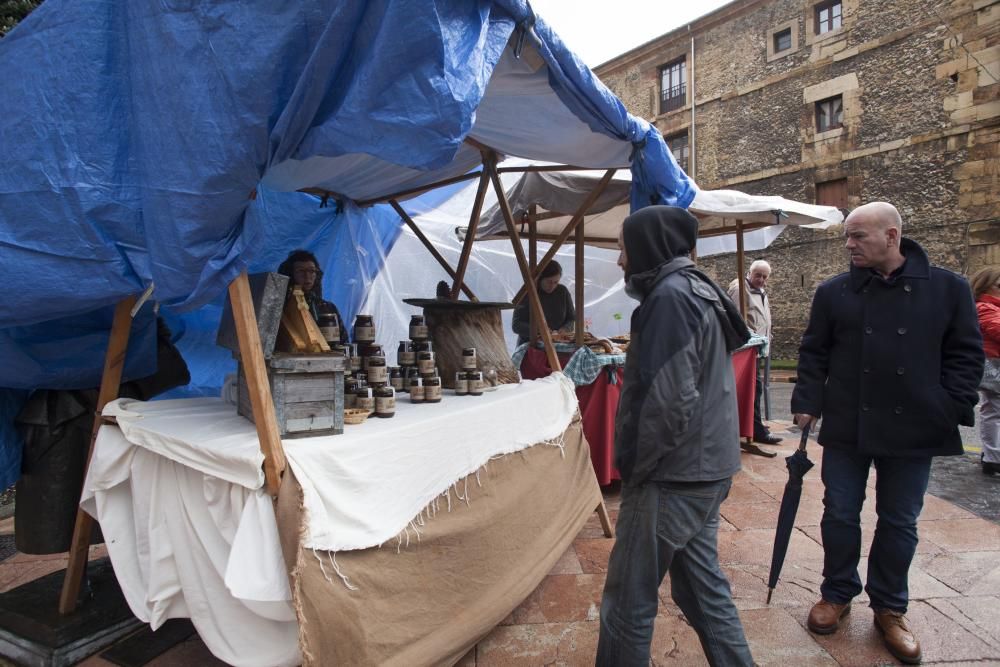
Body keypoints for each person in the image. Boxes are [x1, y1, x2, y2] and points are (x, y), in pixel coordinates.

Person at [791, 202, 983, 665]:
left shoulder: (948, 289)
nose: (850, 245)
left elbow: (965, 354)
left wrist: (948, 404)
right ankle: (836, 592)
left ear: (892, 236)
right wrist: (807, 403)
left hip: (915, 425)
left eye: (858, 236)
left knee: (900, 521)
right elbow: (814, 352)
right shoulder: (833, 292)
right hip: (847, 424)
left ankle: (890, 607)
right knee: (839, 512)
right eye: (848, 237)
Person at [597, 206, 753, 667]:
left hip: (673, 477)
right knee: (702, 591)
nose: (620, 260)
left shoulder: (670, 297)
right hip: (705, 470)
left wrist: (638, 470)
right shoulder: (697, 289)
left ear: (648, 246)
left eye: (623, 248)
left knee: (628, 603)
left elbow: (668, 400)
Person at [727, 259, 780, 445]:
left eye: (765, 277)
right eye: (758, 275)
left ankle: (755, 426)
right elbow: (734, 318)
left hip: (757, 348)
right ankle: (756, 430)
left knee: (755, 389)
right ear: (749, 272)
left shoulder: (761, 291)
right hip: (745, 349)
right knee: (753, 389)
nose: (761, 279)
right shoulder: (739, 289)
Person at [277, 249, 348, 343]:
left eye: (312, 271)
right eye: (301, 271)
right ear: (290, 274)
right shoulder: (280, 308)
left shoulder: (328, 308)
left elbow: (344, 342)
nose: (307, 276)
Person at [971, 266, 1000, 475]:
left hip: (992, 364)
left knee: (992, 409)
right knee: (994, 409)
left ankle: (991, 454)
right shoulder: (984, 307)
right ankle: (993, 457)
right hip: (992, 366)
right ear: (985, 286)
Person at [511, 260, 575, 345]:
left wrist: (565, 329)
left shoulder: (562, 291)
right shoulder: (528, 292)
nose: (552, 286)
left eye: (556, 282)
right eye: (549, 282)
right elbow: (516, 325)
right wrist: (539, 330)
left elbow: (571, 318)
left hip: (557, 344)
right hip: (529, 345)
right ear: (541, 278)